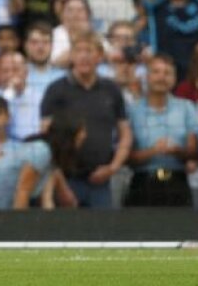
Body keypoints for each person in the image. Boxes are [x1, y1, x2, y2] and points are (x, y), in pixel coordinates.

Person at [40, 32, 133, 209]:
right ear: (72, 56)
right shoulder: (56, 90)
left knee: (102, 235)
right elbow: (45, 136)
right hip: (66, 181)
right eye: (79, 51)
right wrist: (58, 179)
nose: (84, 56)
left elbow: (125, 133)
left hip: (102, 181)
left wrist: (113, 167)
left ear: (99, 56)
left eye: (89, 51)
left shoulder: (111, 89)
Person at [126, 54, 198, 207]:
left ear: (174, 78)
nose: (161, 77)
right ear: (147, 76)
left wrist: (176, 150)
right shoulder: (132, 110)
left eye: (167, 73)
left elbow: (194, 152)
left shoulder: (187, 108)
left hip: (178, 183)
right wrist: (153, 151)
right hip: (142, 183)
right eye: (156, 72)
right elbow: (127, 157)